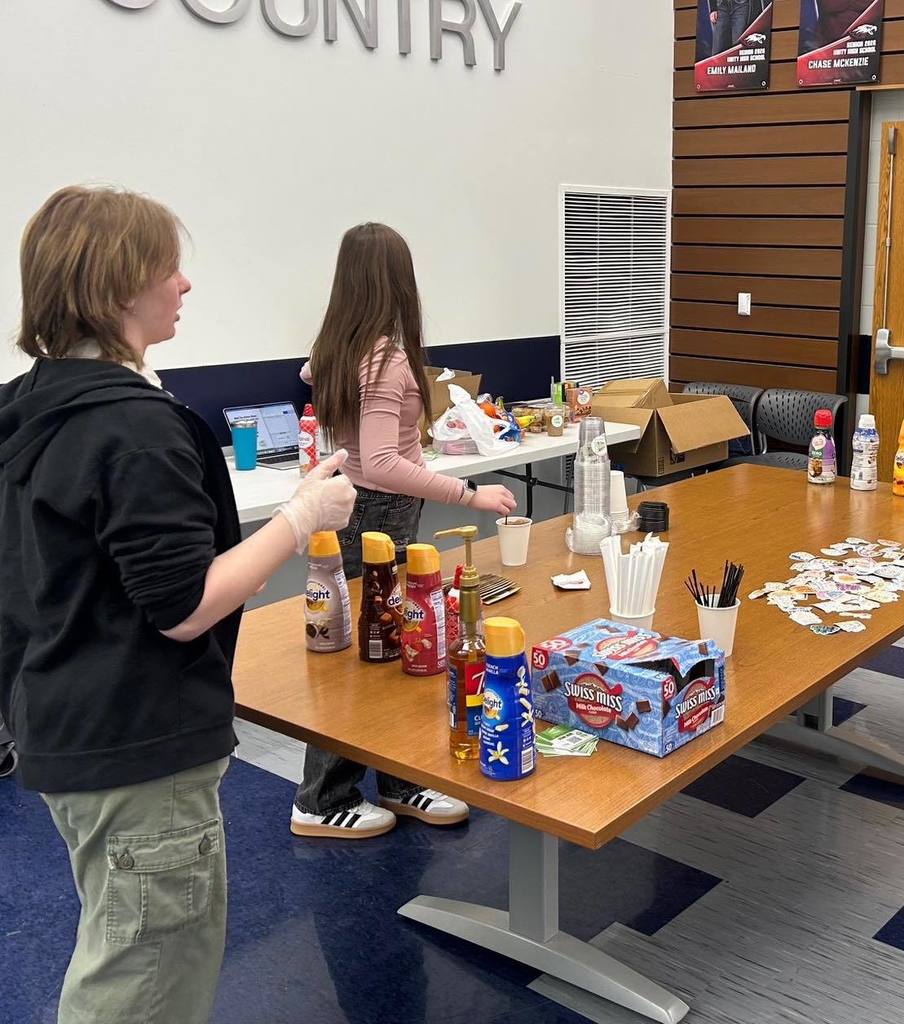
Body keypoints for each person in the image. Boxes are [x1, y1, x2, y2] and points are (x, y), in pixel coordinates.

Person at [0, 185, 356, 1024]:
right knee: (146, 975)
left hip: (61, 723)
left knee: (120, 938)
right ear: (119, 284)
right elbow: (184, 607)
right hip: (138, 742)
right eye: (169, 267)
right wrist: (302, 518)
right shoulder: (133, 427)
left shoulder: (32, 404)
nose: (184, 284)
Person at [290, 222, 517, 840]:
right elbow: (383, 462)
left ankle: (399, 778)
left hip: (368, 512)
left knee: (398, 648)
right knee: (363, 658)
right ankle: (320, 799)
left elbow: (318, 380)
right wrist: (469, 494)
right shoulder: (385, 359)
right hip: (376, 515)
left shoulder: (341, 348)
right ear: (398, 281)